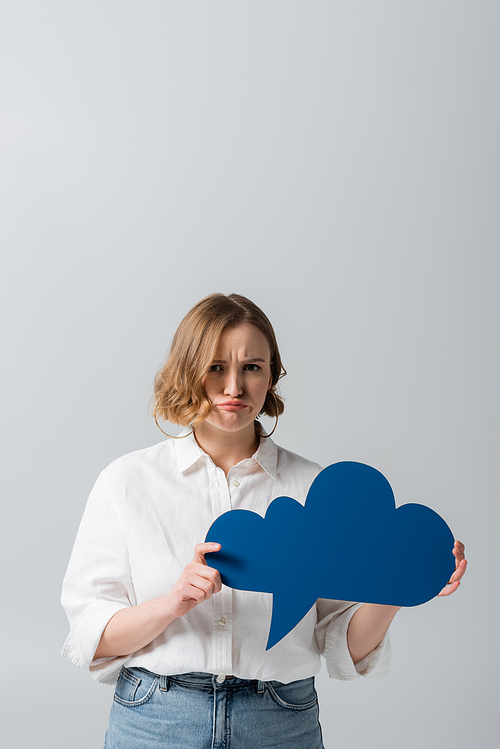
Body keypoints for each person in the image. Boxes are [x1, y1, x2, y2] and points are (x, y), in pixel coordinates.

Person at [61, 293, 466, 749]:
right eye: (216, 367)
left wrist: (396, 583)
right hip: (158, 719)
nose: (234, 386)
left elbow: (340, 643)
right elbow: (91, 635)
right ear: (187, 370)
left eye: (252, 367)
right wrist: (171, 604)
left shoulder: (315, 489)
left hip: (279, 722)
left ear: (271, 374)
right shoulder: (126, 482)